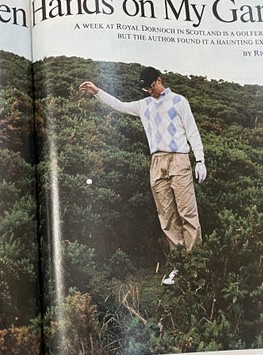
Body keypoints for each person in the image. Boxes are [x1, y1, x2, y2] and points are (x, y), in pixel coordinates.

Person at [80, 67, 207, 281]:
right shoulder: (144, 105)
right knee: (167, 217)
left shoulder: (179, 101)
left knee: (187, 213)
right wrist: (97, 92)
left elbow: (192, 131)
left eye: (151, 87)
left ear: (159, 80)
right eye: (145, 89)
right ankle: (180, 267)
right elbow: (120, 105)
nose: (149, 91)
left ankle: (196, 266)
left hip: (179, 159)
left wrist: (200, 160)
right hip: (157, 162)